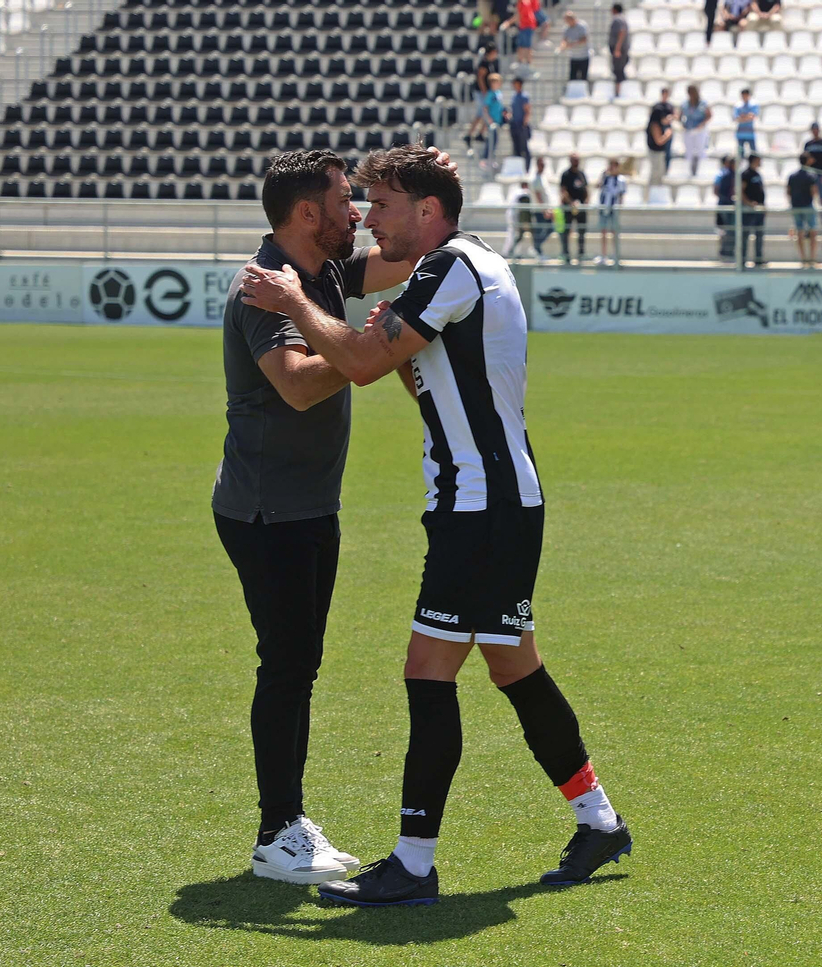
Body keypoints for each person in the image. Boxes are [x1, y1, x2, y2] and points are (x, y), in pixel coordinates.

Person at [238, 145, 632, 907]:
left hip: (479, 506)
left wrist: (293, 303)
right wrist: (390, 348)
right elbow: (426, 378)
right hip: (501, 499)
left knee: (428, 670)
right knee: (514, 666)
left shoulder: (448, 268)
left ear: (426, 210)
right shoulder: (472, 261)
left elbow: (359, 363)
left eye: (382, 205)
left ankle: (414, 864)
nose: (368, 220)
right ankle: (599, 819)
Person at [216, 148, 444, 886]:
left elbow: (406, 253)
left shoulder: (324, 274)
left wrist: (429, 182)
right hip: (265, 509)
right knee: (286, 666)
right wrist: (363, 350)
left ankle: (288, 823)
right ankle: (276, 831)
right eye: (347, 200)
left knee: (299, 664)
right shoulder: (265, 287)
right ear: (307, 212)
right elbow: (296, 386)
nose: (357, 213)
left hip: (308, 505)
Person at [786, 151, 819, 267]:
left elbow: (788, 191)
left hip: (796, 206)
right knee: (813, 231)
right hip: (807, 206)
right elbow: (814, 191)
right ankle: (812, 258)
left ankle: (803, 258)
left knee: (799, 231)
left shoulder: (792, 176)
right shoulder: (811, 175)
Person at [466, 73, 505, 161]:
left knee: (495, 140)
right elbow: (485, 108)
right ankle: (486, 158)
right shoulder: (490, 94)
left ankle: (490, 157)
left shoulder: (499, 93)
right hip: (492, 121)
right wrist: (489, 119)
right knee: (491, 140)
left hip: (498, 120)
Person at [559, 152, 589, 263]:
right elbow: (563, 191)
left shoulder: (581, 174)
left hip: (581, 208)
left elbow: (586, 189)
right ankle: (566, 254)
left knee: (582, 231)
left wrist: (585, 201)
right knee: (566, 231)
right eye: (574, 160)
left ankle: (581, 253)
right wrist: (571, 203)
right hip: (569, 208)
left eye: (577, 160)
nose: (576, 162)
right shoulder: (566, 175)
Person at [596, 158, 627, 264]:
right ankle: (604, 255)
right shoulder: (605, 177)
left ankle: (615, 256)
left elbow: (621, 195)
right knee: (603, 232)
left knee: (614, 232)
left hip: (614, 209)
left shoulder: (621, 179)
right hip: (604, 207)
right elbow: (598, 186)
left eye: (614, 166)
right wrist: (602, 175)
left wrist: (619, 207)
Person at [680, 85, 713, 178]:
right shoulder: (685, 104)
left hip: (700, 130)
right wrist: (682, 124)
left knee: (701, 150)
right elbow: (680, 115)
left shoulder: (703, 104)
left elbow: (709, 115)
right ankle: (689, 172)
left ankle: (701, 172)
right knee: (689, 151)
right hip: (688, 130)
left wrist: (702, 124)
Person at [740, 152, 767, 267]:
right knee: (745, 234)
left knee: (759, 234)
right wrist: (749, 203)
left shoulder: (757, 174)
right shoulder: (746, 174)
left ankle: (758, 258)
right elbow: (740, 191)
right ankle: (742, 259)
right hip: (749, 209)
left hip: (759, 208)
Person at [647, 86, 676, 187]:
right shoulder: (655, 125)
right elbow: (659, 140)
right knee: (656, 173)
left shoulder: (669, 107)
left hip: (659, 151)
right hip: (656, 151)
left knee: (659, 173)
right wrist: (668, 134)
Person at [500, 0, 541, 69]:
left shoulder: (524, 3)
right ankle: (520, 61)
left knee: (527, 45)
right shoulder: (521, 3)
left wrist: (508, 23)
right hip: (523, 26)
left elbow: (519, 15)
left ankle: (528, 63)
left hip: (527, 26)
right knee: (521, 45)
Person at [715, 153, 737, 259]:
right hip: (726, 206)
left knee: (730, 230)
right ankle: (725, 251)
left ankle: (728, 251)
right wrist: (730, 199)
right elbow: (720, 191)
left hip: (728, 205)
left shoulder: (733, 175)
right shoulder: (726, 175)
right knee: (728, 230)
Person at [803, 121, 822, 206]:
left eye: (816, 129)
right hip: (811, 173)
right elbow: (804, 158)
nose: (815, 131)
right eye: (813, 129)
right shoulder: (808, 144)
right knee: (810, 195)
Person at [559, 10, 590, 82]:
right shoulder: (566, 28)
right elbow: (564, 40)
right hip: (573, 56)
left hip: (583, 56)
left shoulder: (582, 26)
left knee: (583, 78)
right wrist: (562, 46)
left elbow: (584, 39)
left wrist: (572, 44)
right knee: (572, 78)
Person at [509, 76, 532, 169]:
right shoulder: (514, 96)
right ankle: (517, 168)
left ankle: (527, 167)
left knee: (524, 148)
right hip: (514, 124)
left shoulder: (524, 96)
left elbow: (527, 111)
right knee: (516, 148)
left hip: (521, 125)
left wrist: (524, 124)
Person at [608, 3, 631, 98]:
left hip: (619, 50)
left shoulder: (617, 19)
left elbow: (621, 32)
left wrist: (617, 48)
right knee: (619, 70)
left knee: (618, 71)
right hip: (622, 49)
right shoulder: (623, 18)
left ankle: (618, 93)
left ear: (614, 10)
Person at [733, 88, 758, 156]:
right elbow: (736, 118)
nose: (744, 97)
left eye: (746, 95)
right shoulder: (738, 105)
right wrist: (747, 117)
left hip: (750, 133)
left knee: (753, 153)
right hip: (740, 133)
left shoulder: (753, 105)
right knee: (740, 153)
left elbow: (752, 117)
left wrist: (742, 117)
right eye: (743, 95)